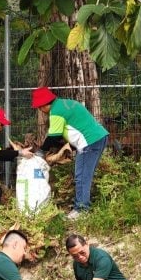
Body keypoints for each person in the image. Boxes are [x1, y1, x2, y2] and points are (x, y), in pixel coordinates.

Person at [31, 86, 109, 219]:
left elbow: (54, 136)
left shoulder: (56, 111)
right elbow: (71, 130)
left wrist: (41, 152)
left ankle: (82, 210)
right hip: (99, 137)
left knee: (82, 176)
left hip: (89, 143)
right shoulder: (66, 103)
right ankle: (82, 207)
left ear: (44, 105)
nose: (40, 110)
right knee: (85, 175)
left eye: (39, 107)